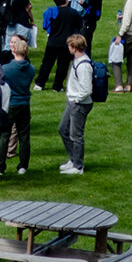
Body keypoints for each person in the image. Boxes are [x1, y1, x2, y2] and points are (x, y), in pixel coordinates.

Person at [0, 36, 37, 176]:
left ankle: (0, 166)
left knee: (4, 135)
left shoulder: (6, 68)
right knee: (24, 136)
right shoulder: (31, 69)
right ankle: (23, 166)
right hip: (25, 103)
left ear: (13, 50)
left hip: (11, 103)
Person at [59, 33, 94, 176]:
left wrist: (75, 99)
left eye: (69, 46)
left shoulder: (84, 65)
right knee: (63, 129)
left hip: (79, 104)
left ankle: (78, 166)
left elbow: (87, 89)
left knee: (76, 135)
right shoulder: (77, 61)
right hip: (73, 101)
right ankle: (73, 159)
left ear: (74, 47)